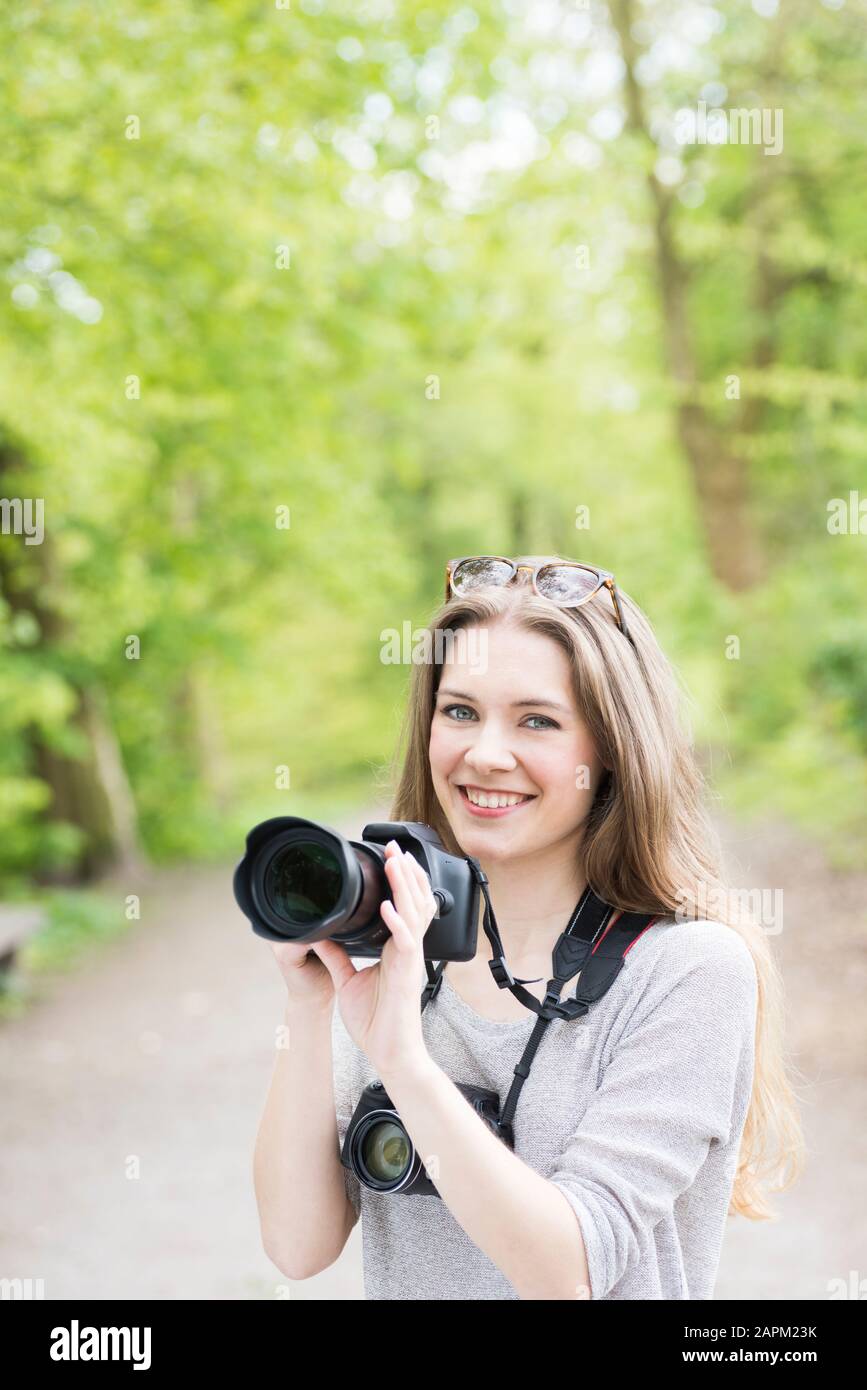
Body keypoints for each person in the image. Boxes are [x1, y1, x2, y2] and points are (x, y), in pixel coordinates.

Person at [253, 554, 805, 1300]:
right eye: (459, 712)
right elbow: (296, 1245)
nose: (484, 754)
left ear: (610, 750)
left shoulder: (686, 970)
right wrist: (310, 1004)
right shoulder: (403, 944)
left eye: (536, 720)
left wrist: (404, 1063)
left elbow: (568, 1272)